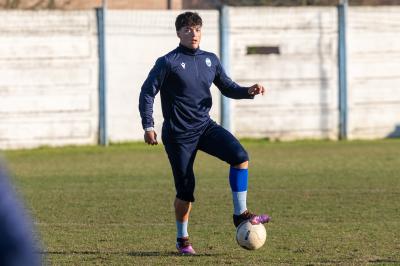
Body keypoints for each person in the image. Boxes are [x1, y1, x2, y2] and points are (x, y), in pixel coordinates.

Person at [139, 11, 270, 255]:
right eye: (188, 29)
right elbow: (147, 92)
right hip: (178, 135)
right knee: (186, 190)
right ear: (178, 33)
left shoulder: (210, 59)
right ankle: (182, 239)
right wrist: (149, 126)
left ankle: (240, 213)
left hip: (204, 127)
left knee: (240, 156)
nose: (194, 33)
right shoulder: (168, 62)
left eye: (197, 29)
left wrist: (248, 91)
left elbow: (228, 87)